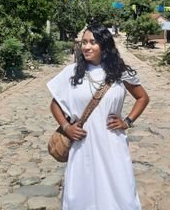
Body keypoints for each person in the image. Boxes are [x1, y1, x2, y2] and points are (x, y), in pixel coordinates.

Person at [47, 23, 150, 210]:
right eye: (84, 42)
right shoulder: (72, 73)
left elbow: (142, 97)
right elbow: (55, 105)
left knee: (120, 190)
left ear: (104, 45)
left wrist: (127, 121)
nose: (86, 47)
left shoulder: (120, 72)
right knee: (82, 192)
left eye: (92, 42)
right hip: (82, 145)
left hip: (112, 143)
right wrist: (66, 127)